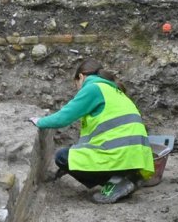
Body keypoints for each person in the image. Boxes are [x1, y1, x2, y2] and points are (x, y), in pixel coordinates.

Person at [29, 58, 155, 204]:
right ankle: (129, 177)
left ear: (81, 77)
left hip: (120, 155)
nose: (77, 89)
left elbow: (63, 118)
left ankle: (117, 182)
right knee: (75, 154)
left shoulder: (93, 88)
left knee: (62, 157)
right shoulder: (114, 90)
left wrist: (39, 121)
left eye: (76, 84)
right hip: (135, 158)